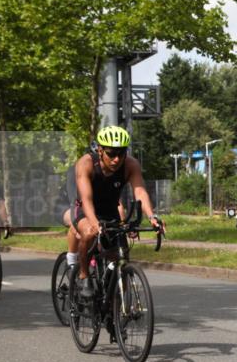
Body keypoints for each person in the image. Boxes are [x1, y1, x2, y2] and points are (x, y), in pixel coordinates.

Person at [65, 126, 164, 299]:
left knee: (120, 255)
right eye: (111, 154)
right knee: (88, 232)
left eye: (121, 153)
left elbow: (140, 192)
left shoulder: (130, 165)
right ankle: (84, 275)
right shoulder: (86, 163)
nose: (116, 159)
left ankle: (117, 304)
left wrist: (152, 216)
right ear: (100, 150)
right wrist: (95, 224)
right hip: (85, 208)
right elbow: (86, 199)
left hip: (110, 210)